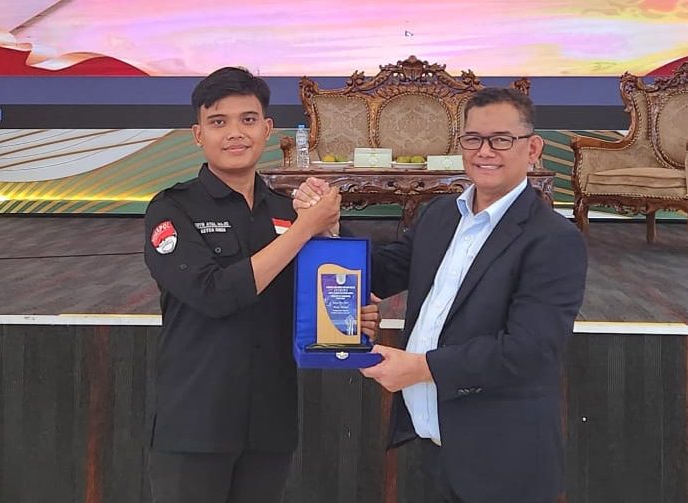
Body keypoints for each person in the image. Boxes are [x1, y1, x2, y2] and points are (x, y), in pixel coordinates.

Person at [295, 88, 588, 503]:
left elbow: (530, 351)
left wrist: (422, 368)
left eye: (501, 139)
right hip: (436, 444)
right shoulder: (441, 215)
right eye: (473, 139)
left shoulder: (553, 238)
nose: (485, 151)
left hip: (506, 456)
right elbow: (383, 272)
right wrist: (329, 227)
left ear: (533, 148)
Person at [143, 67, 377, 503]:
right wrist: (305, 229)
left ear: (267, 129)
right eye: (219, 122)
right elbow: (214, 294)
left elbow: (313, 297)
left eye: (248, 119)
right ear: (198, 135)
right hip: (196, 423)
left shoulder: (287, 210)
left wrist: (349, 315)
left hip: (270, 422)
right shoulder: (173, 208)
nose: (235, 133)